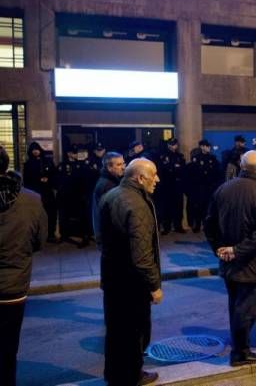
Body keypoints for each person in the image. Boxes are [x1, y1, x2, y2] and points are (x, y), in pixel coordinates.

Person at [204, 151, 256, 367]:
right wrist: (235, 250)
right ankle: (241, 352)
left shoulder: (223, 189)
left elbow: (209, 224)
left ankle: (239, 345)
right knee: (246, 309)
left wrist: (219, 248)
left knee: (235, 305)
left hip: (228, 260)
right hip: (249, 261)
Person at [97, 158, 163, 386]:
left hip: (113, 278)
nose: (157, 179)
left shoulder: (111, 195)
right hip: (132, 283)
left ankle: (114, 376)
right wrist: (154, 286)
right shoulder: (137, 205)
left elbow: (100, 237)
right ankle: (131, 376)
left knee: (115, 333)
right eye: (153, 174)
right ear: (140, 178)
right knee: (135, 333)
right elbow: (142, 255)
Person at [0, 146, 47, 386]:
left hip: (12, 283)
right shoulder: (31, 199)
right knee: (8, 349)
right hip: (14, 286)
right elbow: (39, 241)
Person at [23, 141, 58, 242]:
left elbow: (54, 174)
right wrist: (38, 180)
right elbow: (27, 180)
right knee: (36, 215)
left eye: (37, 149)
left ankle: (51, 234)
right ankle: (37, 236)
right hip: (35, 193)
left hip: (48, 192)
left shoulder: (47, 161)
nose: (35, 152)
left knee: (51, 213)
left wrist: (49, 180)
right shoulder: (28, 164)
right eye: (33, 150)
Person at [184, 139, 221, 233]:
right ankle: (197, 224)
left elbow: (217, 173)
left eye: (209, 146)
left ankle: (206, 225)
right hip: (198, 188)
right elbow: (193, 174)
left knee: (207, 207)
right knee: (198, 207)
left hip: (209, 188)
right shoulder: (196, 158)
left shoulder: (213, 158)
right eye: (207, 146)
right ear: (202, 147)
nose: (209, 148)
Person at [156, 138, 186, 235]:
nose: (174, 146)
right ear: (168, 145)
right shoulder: (163, 156)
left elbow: (182, 170)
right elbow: (162, 170)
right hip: (167, 186)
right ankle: (166, 227)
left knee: (178, 206)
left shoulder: (180, 156)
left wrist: (173, 168)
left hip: (177, 185)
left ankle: (178, 226)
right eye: (172, 144)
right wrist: (174, 168)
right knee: (166, 207)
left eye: (175, 144)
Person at [92, 152, 125, 236]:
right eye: (119, 165)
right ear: (109, 167)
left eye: (123, 163)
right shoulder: (107, 185)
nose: (123, 167)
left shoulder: (112, 180)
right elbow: (113, 215)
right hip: (110, 235)